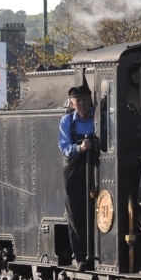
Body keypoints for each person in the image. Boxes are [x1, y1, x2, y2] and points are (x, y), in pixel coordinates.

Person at [59, 84, 96, 269]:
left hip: (97, 166)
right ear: (73, 103)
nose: (81, 103)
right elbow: (64, 147)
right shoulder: (67, 121)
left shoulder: (101, 117)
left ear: (90, 100)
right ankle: (81, 256)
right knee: (75, 213)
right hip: (75, 169)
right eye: (78, 101)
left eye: (84, 99)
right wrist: (80, 149)